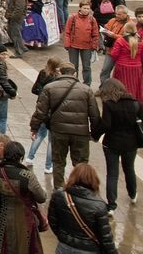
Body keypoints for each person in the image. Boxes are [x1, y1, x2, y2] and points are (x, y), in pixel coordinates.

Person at [48, 163, 126, 254]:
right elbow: (106, 238)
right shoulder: (99, 205)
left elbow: (53, 221)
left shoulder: (59, 195)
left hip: (65, 249)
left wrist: (63, 237)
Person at [31, 62, 99, 190]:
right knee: (81, 164)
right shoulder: (86, 90)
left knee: (58, 163)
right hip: (81, 133)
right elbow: (95, 115)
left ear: (60, 72)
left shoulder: (49, 88)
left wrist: (34, 128)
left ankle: (58, 189)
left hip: (59, 131)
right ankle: (81, 190)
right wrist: (95, 134)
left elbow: (40, 112)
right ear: (74, 73)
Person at [92, 76, 142, 211]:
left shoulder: (109, 104)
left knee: (112, 174)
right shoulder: (136, 104)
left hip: (112, 144)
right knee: (129, 169)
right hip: (131, 144)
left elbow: (106, 125)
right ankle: (132, 194)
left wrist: (95, 136)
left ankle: (112, 206)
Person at [64, 0, 100, 86]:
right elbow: (67, 32)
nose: (86, 10)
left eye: (88, 8)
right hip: (73, 46)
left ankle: (87, 84)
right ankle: (73, 83)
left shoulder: (92, 19)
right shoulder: (72, 18)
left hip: (87, 46)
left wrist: (94, 46)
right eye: (84, 8)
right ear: (80, 8)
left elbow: (95, 34)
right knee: (73, 66)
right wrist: (67, 44)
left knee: (86, 67)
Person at [108, 21, 143, 101]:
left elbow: (114, 54)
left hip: (122, 67)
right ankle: (135, 103)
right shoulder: (140, 42)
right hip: (137, 68)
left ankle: (122, 103)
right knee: (135, 86)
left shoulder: (120, 41)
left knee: (121, 86)